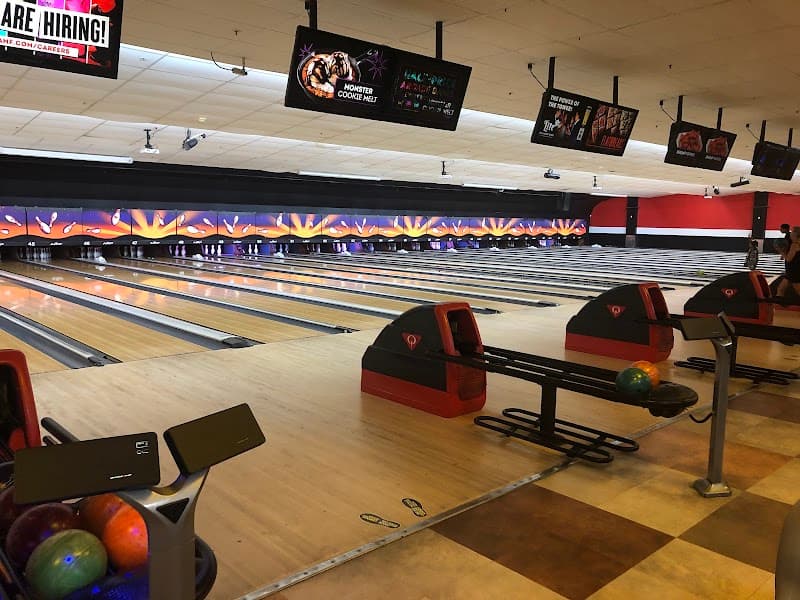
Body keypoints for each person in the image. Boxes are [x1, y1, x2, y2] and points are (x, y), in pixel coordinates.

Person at [777, 227, 800, 298]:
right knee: (781, 289)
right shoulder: (796, 243)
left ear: (796, 234)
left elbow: (789, 259)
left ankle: (777, 305)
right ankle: (777, 305)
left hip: (793, 272)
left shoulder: (795, 244)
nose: (791, 233)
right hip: (792, 271)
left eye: (792, 232)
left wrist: (781, 252)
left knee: (798, 291)